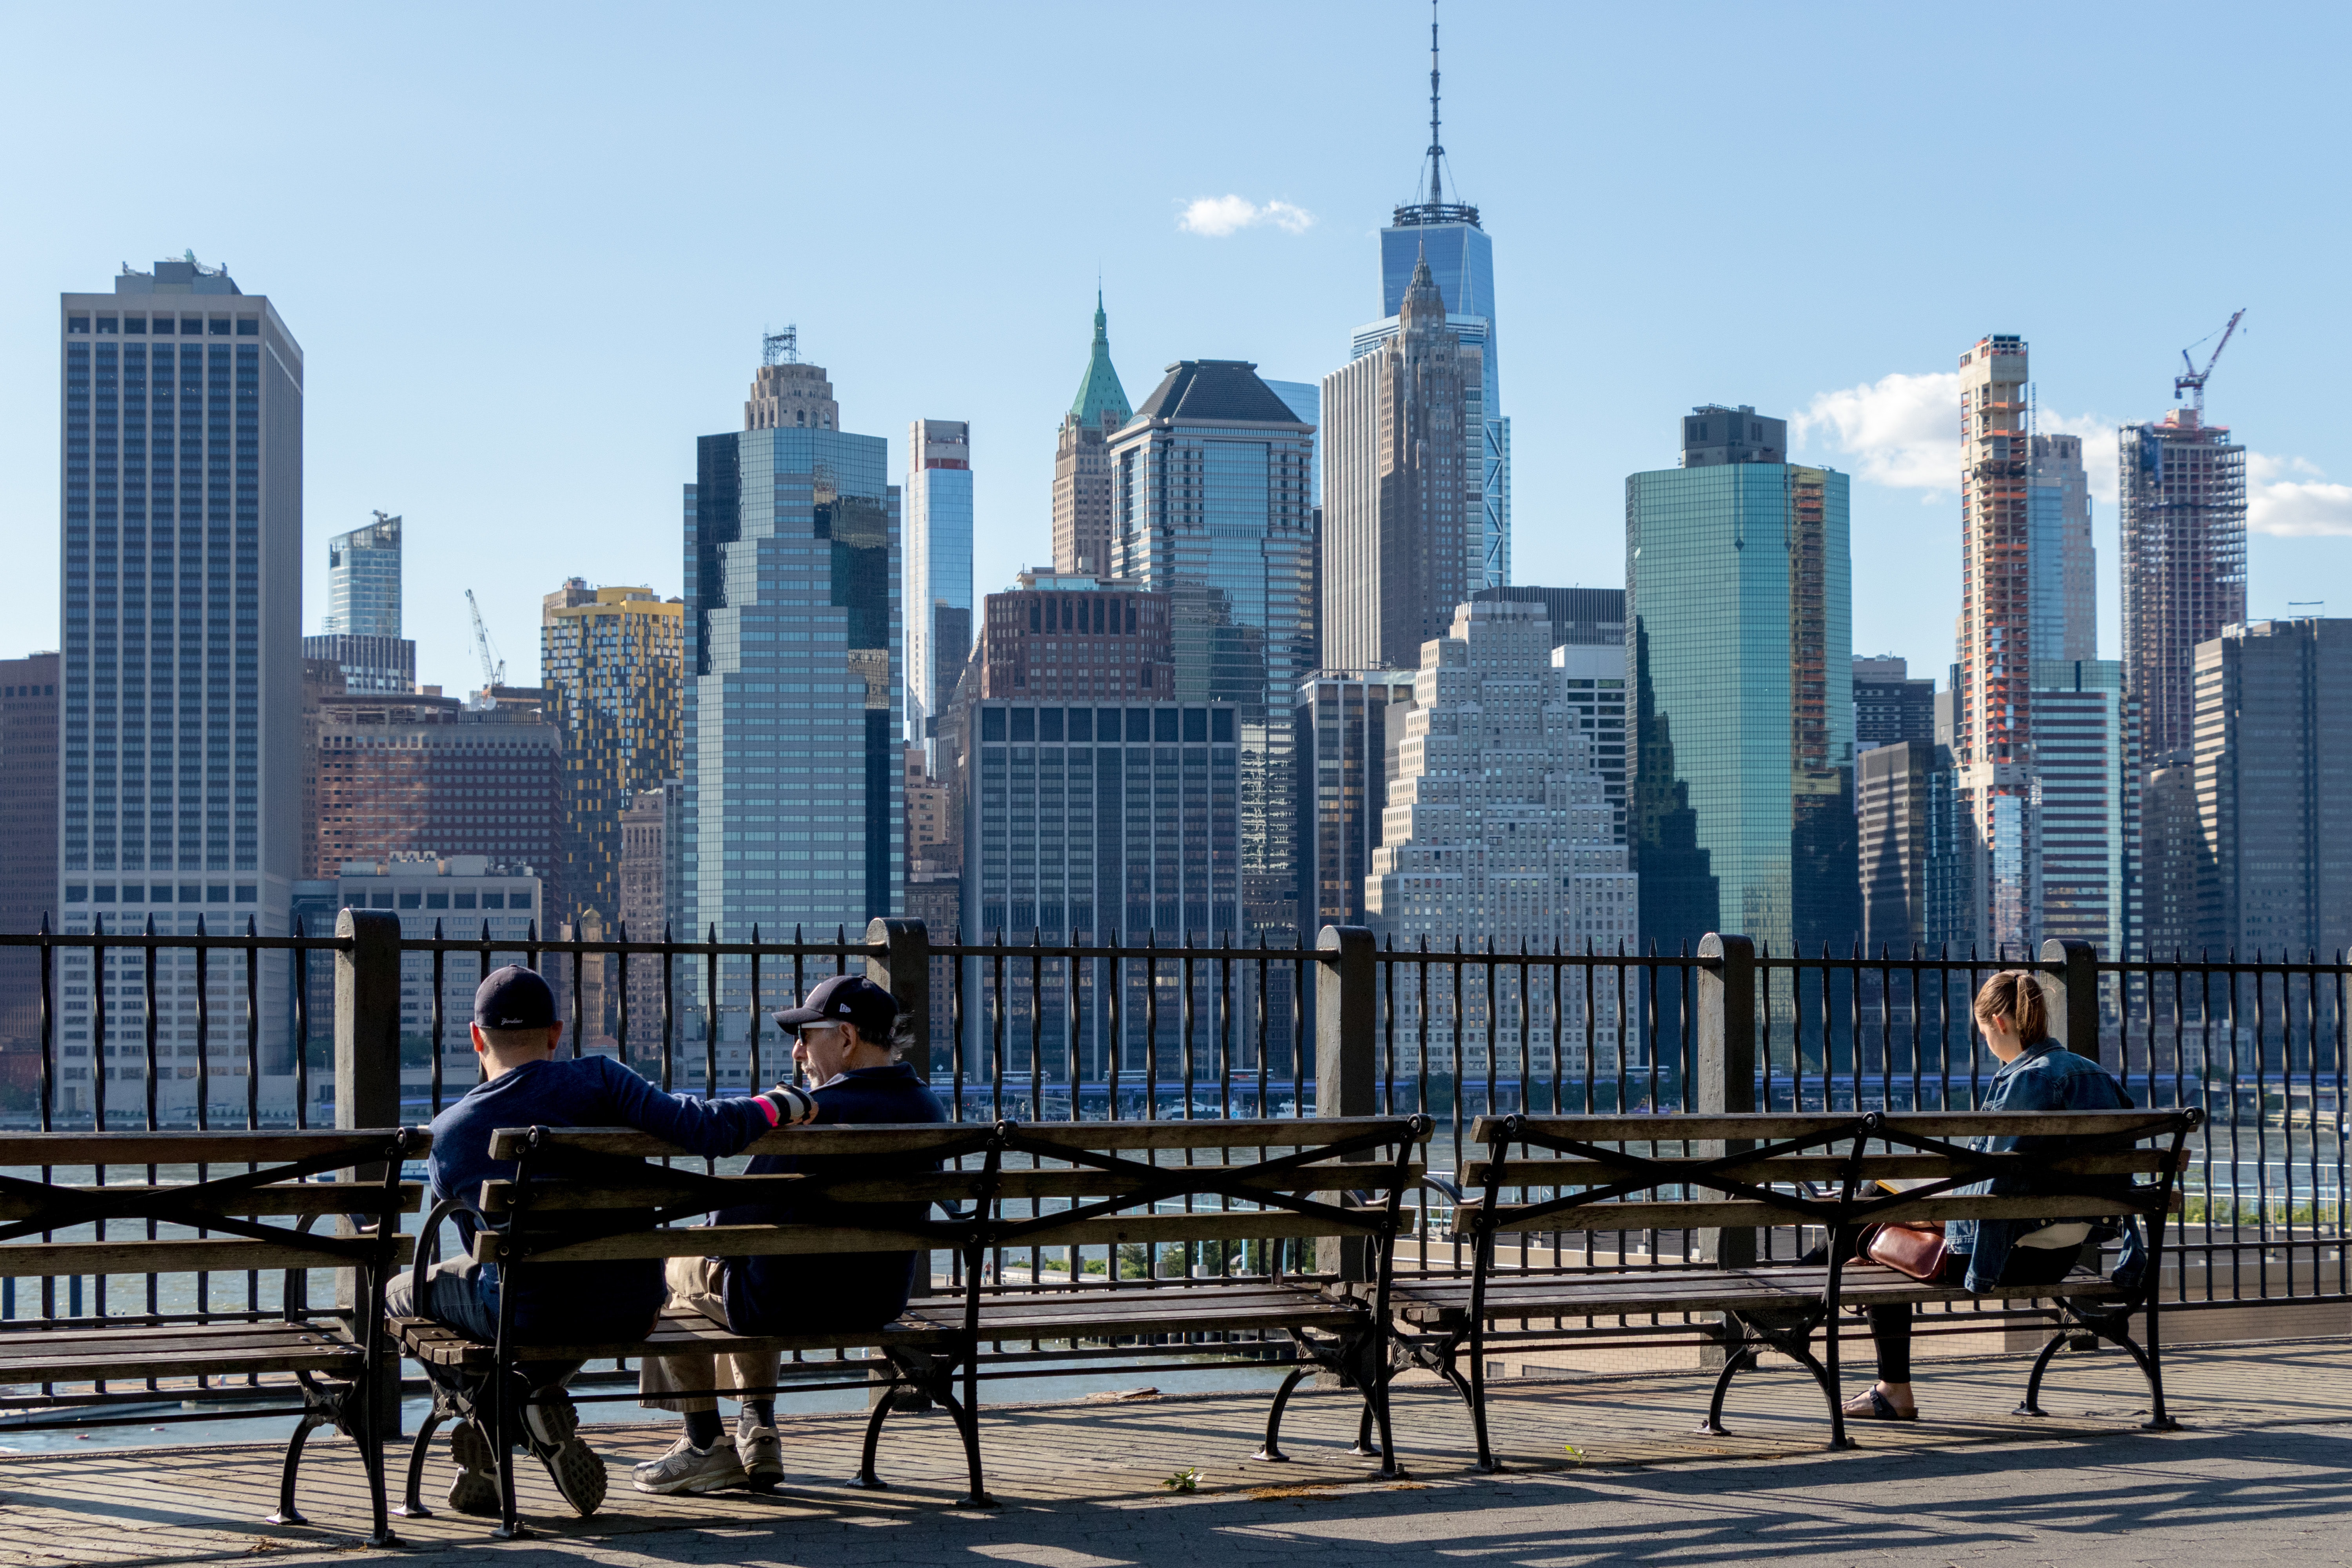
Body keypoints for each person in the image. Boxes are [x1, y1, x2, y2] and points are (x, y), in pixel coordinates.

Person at [385, 965, 817, 1517]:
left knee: (401, 1295)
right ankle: (525, 1410)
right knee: (563, 1291)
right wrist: (781, 1104)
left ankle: (502, 1413)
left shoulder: (450, 1131)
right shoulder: (603, 1081)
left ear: (475, 1038)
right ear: (556, 1034)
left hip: (529, 1312)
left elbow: (479, 1251)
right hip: (631, 1305)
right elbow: (705, 1128)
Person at [633, 973, 947, 1495]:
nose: (799, 1051)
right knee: (746, 1266)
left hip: (785, 1304)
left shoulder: (816, 1115)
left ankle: (705, 1443)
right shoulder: (928, 1109)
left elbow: (732, 1228)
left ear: (846, 1038)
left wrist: (703, 1235)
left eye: (807, 1035)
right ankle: (756, 1434)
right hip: (877, 1301)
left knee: (665, 1265)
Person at [1844, 969, 2144, 1421]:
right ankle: (1880, 1376)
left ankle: (1803, 1292)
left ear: (2000, 1023)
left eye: (1983, 1030)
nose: (1985, 1039)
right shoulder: (2097, 1077)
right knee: (1874, 1221)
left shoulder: (2024, 1082)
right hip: (2061, 1256)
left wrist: (1931, 1215)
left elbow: (1993, 1194)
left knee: (1868, 1210)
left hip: (2000, 1257)